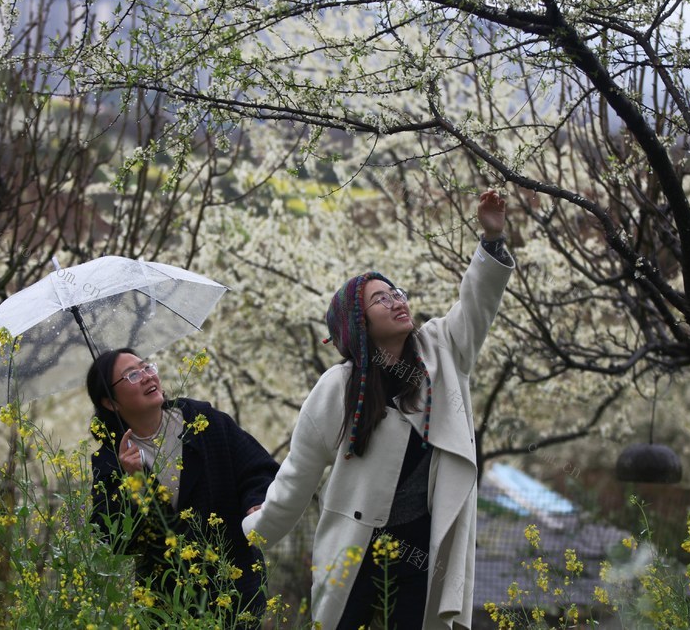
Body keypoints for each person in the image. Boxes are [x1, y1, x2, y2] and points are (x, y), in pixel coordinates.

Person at [242, 190, 514, 629]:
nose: (396, 301)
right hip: (358, 543)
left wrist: (492, 239)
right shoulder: (340, 387)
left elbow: (477, 305)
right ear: (359, 324)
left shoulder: (443, 350)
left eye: (396, 292)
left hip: (423, 543)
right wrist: (257, 530)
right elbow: (299, 471)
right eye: (380, 299)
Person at [87, 347, 279, 625]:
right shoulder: (111, 459)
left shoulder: (201, 422)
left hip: (235, 582)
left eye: (147, 367)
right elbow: (112, 537)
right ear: (110, 403)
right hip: (169, 601)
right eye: (131, 375)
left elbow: (257, 468)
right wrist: (132, 484)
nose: (146, 376)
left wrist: (255, 501)